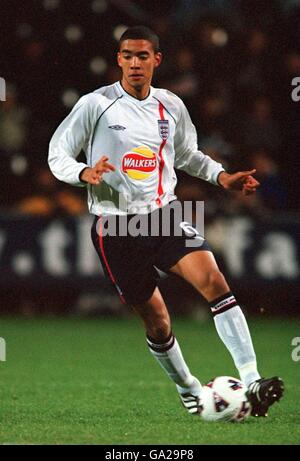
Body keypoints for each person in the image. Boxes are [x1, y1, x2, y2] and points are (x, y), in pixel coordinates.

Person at [48, 26, 284, 417]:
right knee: (158, 322)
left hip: (164, 215)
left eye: (143, 56)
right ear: (118, 60)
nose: (135, 63)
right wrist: (83, 172)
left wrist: (222, 177)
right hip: (116, 227)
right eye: (127, 56)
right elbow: (57, 153)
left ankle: (252, 378)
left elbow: (187, 154)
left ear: (156, 60)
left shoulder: (170, 105)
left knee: (215, 283)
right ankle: (188, 387)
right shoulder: (96, 104)